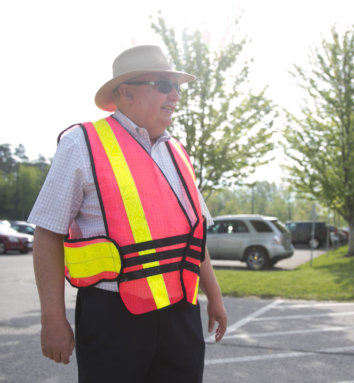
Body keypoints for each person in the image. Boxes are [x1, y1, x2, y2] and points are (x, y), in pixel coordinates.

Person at [29, 45, 227, 383]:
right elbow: (48, 232)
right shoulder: (82, 143)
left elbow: (195, 236)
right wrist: (52, 317)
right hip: (113, 317)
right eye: (164, 85)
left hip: (181, 313)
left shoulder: (178, 154)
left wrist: (216, 298)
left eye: (177, 87)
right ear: (126, 92)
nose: (176, 95)